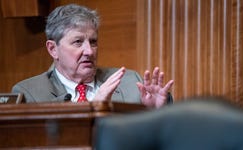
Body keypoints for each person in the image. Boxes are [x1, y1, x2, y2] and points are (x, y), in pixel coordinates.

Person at [11, 4, 174, 108]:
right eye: (77, 42)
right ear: (53, 49)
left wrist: (155, 112)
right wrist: (95, 108)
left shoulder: (130, 82)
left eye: (93, 41)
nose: (89, 51)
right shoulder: (30, 93)